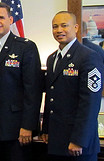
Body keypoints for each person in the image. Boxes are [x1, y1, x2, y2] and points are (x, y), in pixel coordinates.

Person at [0, 2, 42, 161]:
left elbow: (32, 90)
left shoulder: (25, 47)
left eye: (1, 17)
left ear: (11, 19)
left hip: (18, 128)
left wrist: (28, 126)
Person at [42, 11, 104, 161]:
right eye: (55, 27)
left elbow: (90, 103)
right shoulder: (51, 59)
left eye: (64, 26)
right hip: (57, 141)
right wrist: (46, 129)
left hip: (79, 144)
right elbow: (51, 96)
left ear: (76, 28)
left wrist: (79, 140)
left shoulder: (88, 56)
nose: (59, 30)